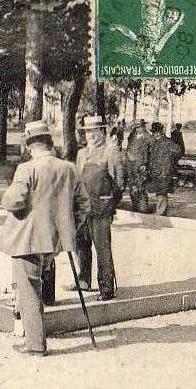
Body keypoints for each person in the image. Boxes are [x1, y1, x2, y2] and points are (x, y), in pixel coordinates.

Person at [0, 121, 90, 356]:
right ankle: (34, 336)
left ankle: (36, 345)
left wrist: (5, 196)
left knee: (28, 291)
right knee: (35, 287)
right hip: (53, 241)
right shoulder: (69, 168)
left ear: (30, 145)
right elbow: (83, 205)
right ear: (50, 143)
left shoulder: (27, 169)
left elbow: (13, 202)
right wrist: (65, 229)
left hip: (26, 240)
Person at [72, 115, 124, 301]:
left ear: (102, 132)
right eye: (87, 132)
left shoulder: (111, 152)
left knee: (102, 248)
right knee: (81, 244)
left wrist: (110, 204)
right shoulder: (81, 153)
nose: (91, 135)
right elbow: (77, 180)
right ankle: (83, 280)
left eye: (94, 131)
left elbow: (119, 182)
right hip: (83, 209)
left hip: (102, 209)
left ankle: (106, 288)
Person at [147, 122, 184, 216]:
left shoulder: (168, 142)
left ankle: (160, 214)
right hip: (157, 173)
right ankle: (161, 214)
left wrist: (170, 163)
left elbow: (179, 152)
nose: (155, 134)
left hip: (164, 173)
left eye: (157, 132)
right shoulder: (155, 143)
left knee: (162, 195)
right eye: (154, 133)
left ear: (161, 132)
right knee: (159, 194)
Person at [125, 119, 152, 212]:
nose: (138, 129)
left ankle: (142, 207)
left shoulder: (148, 137)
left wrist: (146, 164)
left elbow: (152, 152)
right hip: (131, 165)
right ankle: (134, 205)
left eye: (139, 127)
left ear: (143, 126)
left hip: (141, 166)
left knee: (141, 186)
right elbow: (129, 148)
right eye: (136, 127)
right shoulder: (132, 136)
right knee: (132, 186)